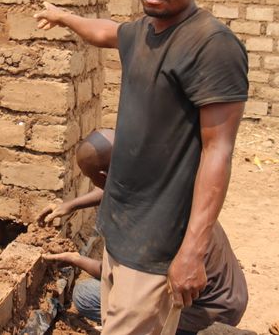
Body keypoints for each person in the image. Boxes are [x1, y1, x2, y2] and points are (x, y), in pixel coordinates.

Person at [34, 0, 249, 334]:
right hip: (124, 236)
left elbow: (218, 152)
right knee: (101, 307)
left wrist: (192, 251)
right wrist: (63, 17)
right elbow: (103, 31)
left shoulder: (212, 45)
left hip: (160, 245)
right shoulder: (142, 33)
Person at [40, 130, 248, 333]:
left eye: (89, 177)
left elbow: (123, 278)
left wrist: (76, 259)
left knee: (89, 297)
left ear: (103, 176)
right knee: (92, 293)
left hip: (206, 310)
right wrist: (70, 205)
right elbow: (110, 186)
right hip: (229, 294)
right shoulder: (156, 179)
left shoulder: (146, 224)